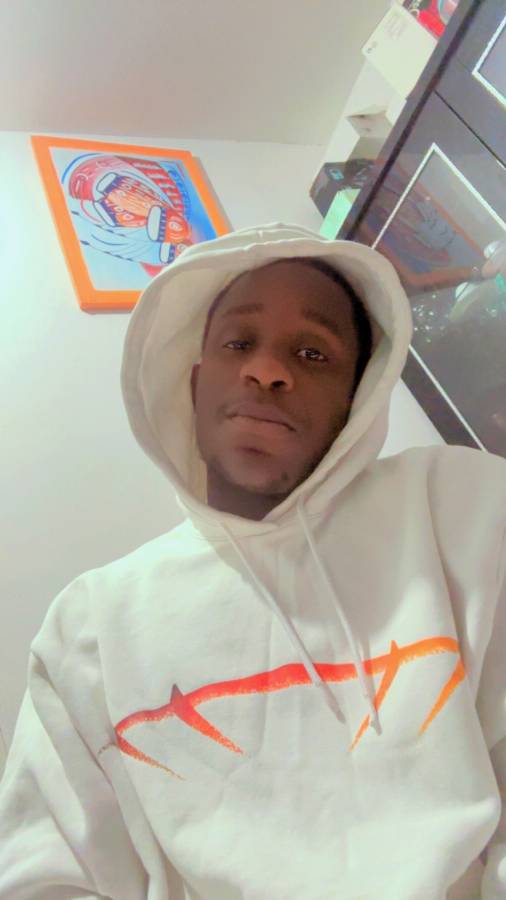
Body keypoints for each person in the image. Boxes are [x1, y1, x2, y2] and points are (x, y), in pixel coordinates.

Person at [0, 222, 505, 899]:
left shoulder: (460, 508)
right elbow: (46, 875)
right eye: (239, 343)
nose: (267, 370)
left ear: (357, 397)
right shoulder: (89, 621)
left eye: (312, 352)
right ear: (195, 384)